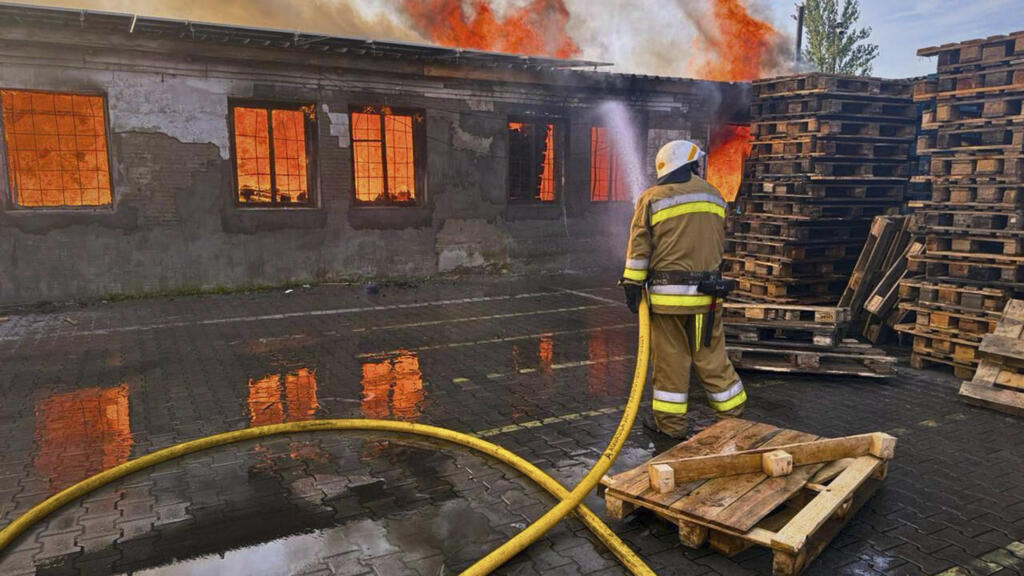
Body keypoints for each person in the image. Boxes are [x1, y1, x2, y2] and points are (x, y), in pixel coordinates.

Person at [620, 140, 746, 441]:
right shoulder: (715, 196)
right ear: (691, 165)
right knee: (712, 357)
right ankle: (733, 418)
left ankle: (671, 426)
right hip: (708, 298)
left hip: (667, 304)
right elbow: (717, 241)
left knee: (671, 363)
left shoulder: (652, 198)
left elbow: (640, 248)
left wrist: (632, 283)